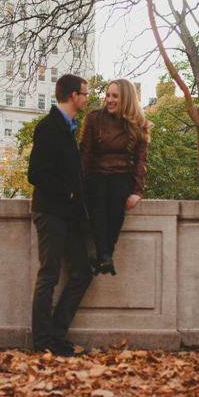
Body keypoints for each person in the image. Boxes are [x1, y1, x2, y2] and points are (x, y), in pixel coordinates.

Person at [27, 74, 93, 357]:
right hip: (51, 212)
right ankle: (43, 343)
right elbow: (36, 174)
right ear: (72, 96)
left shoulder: (69, 128)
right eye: (85, 94)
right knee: (49, 276)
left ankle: (55, 335)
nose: (88, 99)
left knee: (82, 272)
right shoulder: (49, 127)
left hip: (69, 215)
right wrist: (67, 194)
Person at [79, 78, 150, 276]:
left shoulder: (138, 122)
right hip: (95, 171)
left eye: (115, 96)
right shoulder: (94, 117)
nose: (109, 100)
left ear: (126, 99)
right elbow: (84, 152)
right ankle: (105, 256)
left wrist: (137, 191)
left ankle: (104, 256)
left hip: (122, 173)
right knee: (97, 196)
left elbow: (140, 160)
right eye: (108, 95)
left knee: (119, 196)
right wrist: (77, 184)